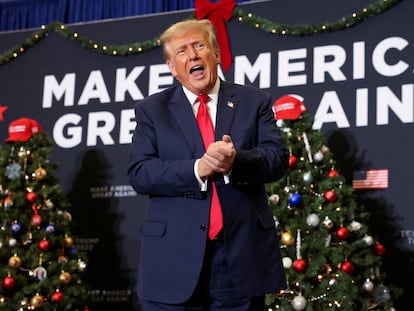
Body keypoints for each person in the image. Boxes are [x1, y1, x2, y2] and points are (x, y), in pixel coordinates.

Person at [127, 18, 288, 311]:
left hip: (237, 259)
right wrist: (197, 168)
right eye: (182, 51)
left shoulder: (254, 101)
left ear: (216, 54)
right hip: (172, 260)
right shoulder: (151, 110)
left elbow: (277, 159)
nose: (193, 55)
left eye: (199, 45)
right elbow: (140, 173)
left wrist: (234, 161)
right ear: (172, 67)